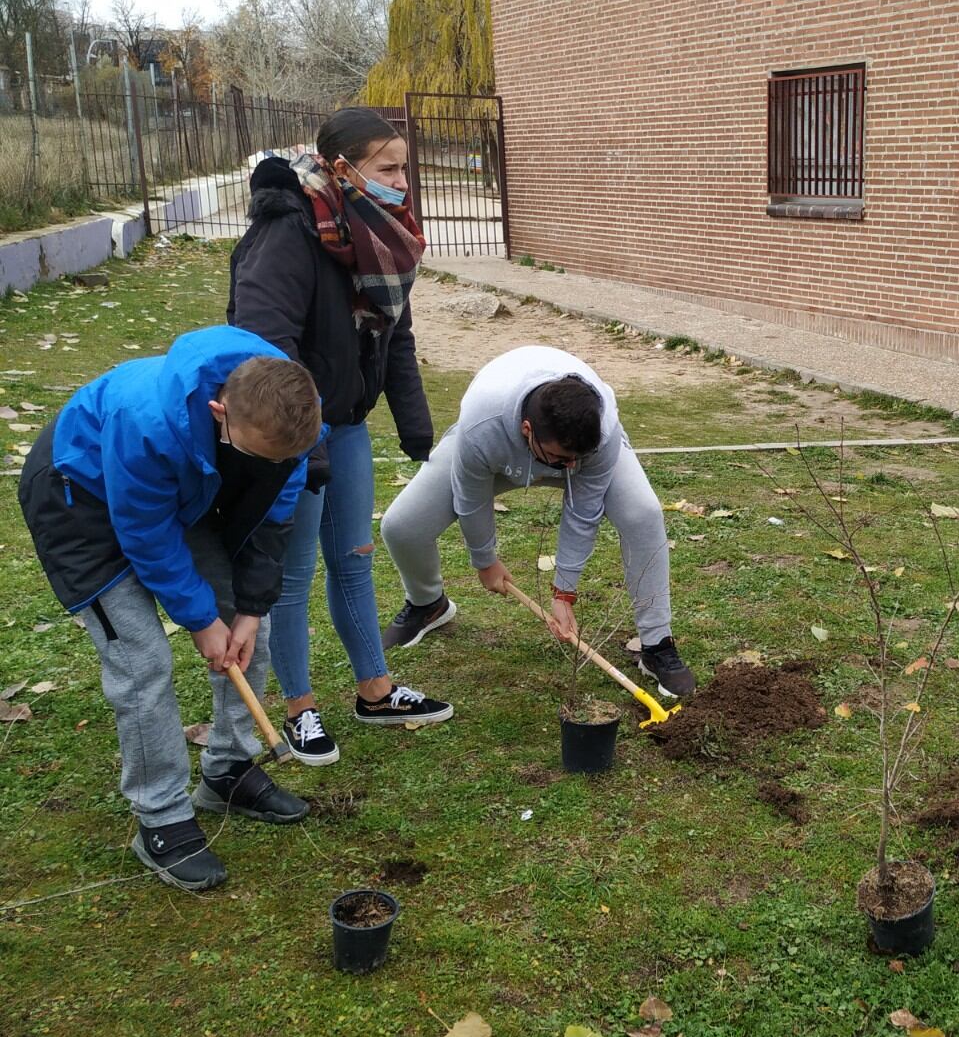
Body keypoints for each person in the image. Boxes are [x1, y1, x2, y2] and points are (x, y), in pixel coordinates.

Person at [17, 329, 323, 891]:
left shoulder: (290, 412)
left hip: (179, 489)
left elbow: (273, 514)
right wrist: (199, 620)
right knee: (141, 657)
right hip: (79, 496)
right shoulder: (148, 422)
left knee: (246, 623)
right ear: (218, 412)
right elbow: (146, 534)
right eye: (256, 453)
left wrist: (246, 611)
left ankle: (228, 769)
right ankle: (160, 818)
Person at [228, 107, 453, 767]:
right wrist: (307, 443)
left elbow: (396, 335)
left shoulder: (377, 232)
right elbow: (269, 346)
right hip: (291, 429)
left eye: (404, 168)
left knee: (354, 557)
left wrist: (417, 432)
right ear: (340, 167)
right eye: (389, 169)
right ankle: (299, 709)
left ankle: (375, 692)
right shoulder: (287, 231)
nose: (401, 182)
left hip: (349, 424)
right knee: (292, 574)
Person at [379, 346, 696, 697]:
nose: (571, 468)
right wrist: (485, 561)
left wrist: (564, 592)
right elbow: (470, 497)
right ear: (527, 430)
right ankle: (428, 604)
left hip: (571, 444)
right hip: (499, 448)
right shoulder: (481, 423)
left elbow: (583, 509)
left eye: (578, 459)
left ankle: (657, 645)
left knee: (644, 513)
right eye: (563, 459)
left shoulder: (600, 433)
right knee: (402, 525)